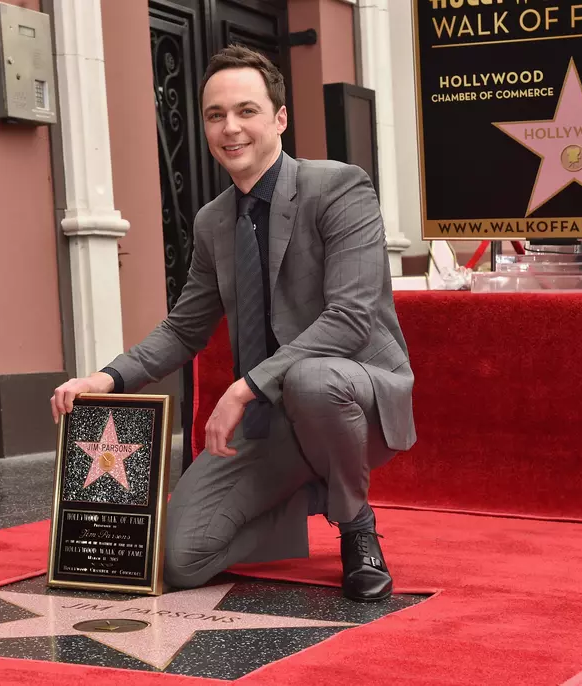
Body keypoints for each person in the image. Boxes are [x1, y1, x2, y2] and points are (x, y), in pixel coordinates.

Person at [50, 45, 415, 602]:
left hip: (354, 396)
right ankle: (296, 491)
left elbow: (348, 318)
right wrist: (105, 379)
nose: (231, 128)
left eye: (246, 110)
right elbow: (183, 328)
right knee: (178, 559)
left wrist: (243, 388)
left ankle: (355, 522)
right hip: (273, 421)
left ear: (280, 118)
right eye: (215, 115)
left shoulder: (340, 187)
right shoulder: (214, 221)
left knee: (310, 379)